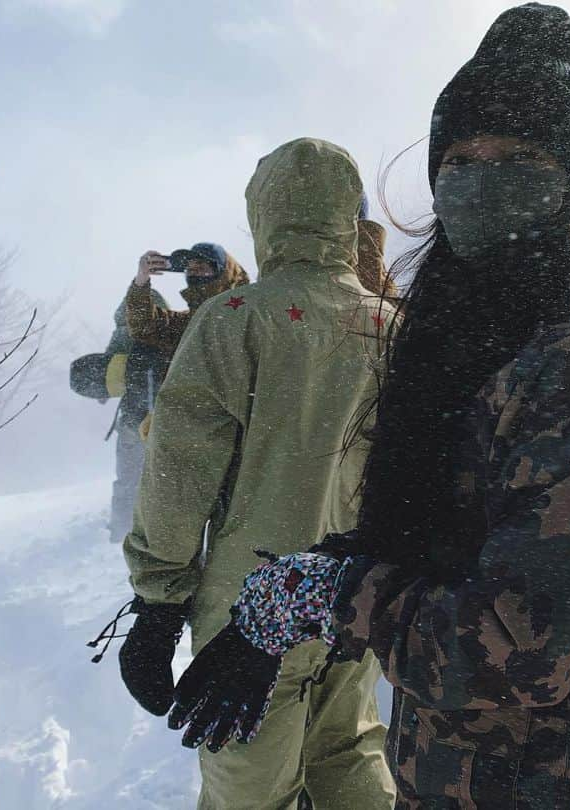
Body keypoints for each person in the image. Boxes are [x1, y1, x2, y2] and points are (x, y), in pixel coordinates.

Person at [168, 5, 570, 809]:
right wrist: (302, 584)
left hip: (534, 777)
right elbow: (433, 543)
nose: (481, 176)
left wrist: (326, 595)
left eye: (519, 156)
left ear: (569, 184)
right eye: (462, 157)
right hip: (443, 758)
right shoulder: (451, 339)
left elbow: (514, 646)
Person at [120, 138, 397, 809]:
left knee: (250, 785)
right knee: (348, 752)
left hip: (247, 612)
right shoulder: (392, 324)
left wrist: (158, 604)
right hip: (349, 595)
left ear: (265, 216)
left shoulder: (234, 321)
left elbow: (180, 478)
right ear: (347, 215)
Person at [70, 289, 171, 544]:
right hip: (163, 419)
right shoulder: (169, 331)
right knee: (164, 480)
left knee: (129, 479)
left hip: (132, 419)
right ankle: (158, 532)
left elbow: (106, 372)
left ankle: (123, 531)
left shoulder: (123, 332)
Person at [126, 243, 249, 356]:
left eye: (201, 267)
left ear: (223, 273)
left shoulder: (249, 314)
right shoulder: (190, 324)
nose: (194, 273)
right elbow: (143, 327)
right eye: (190, 269)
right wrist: (141, 278)